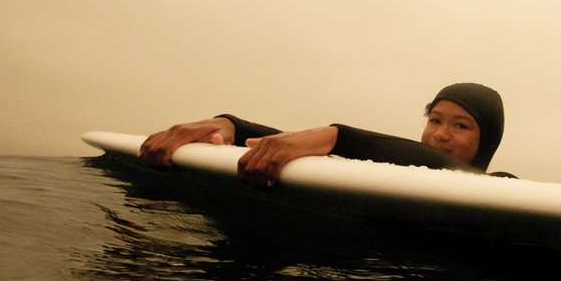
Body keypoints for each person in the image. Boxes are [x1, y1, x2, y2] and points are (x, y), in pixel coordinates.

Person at [138, 82, 509, 188]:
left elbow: (444, 169)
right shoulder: (392, 177)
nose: (440, 135)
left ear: (486, 141)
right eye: (435, 119)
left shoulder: (504, 189)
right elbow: (347, 157)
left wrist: (335, 136)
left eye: (461, 126)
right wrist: (233, 128)